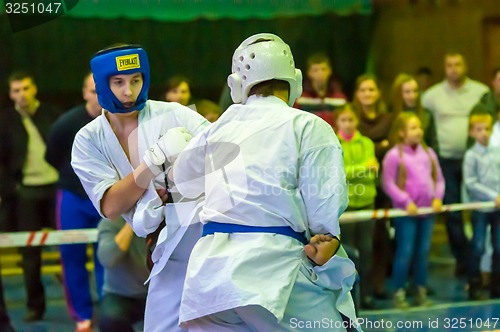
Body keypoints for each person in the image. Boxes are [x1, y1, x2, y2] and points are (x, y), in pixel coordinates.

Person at [171, 33, 359, 331]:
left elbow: (179, 181)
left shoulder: (216, 129)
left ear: (236, 84)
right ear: (294, 80)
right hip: (272, 271)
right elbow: (324, 208)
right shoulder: (308, 126)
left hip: (207, 280)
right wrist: (327, 237)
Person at [71, 44, 209, 332]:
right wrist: (154, 161)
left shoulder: (175, 115)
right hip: (159, 253)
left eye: (136, 80)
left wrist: (181, 182)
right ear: (101, 84)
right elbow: (110, 206)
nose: (128, 91)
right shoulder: (88, 139)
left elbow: (224, 167)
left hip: (204, 239)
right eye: (118, 82)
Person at [45, 73, 104, 332]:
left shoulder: (118, 121)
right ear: (84, 93)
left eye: (101, 91)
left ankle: (107, 311)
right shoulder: (66, 123)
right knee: (72, 257)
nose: (98, 97)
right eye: (93, 91)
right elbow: (52, 156)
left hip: (106, 197)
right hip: (73, 197)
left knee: (109, 257)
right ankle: (82, 316)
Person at [422, 52, 489, 277]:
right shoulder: (432, 96)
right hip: (445, 161)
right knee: (452, 213)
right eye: (449, 65)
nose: (453, 69)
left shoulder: (480, 92)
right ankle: (464, 259)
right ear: (444, 68)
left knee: (481, 210)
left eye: (457, 64)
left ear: (465, 65)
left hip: (476, 160)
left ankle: (482, 262)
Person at [0, 71, 60, 322]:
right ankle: (35, 306)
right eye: (16, 90)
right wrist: (10, 190)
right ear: (10, 94)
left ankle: (82, 306)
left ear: (34, 88)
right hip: (25, 192)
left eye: (25, 88)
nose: (21, 95)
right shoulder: (5, 121)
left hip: (57, 189)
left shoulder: (52, 114)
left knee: (74, 246)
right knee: (30, 255)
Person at [382, 112, 445, 308]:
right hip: (406, 214)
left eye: (420, 127)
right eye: (413, 127)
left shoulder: (429, 153)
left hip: (427, 213)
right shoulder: (394, 155)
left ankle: (420, 289)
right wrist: (405, 201)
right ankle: (398, 291)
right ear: (401, 133)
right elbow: (388, 183)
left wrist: (437, 198)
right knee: (406, 251)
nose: (419, 131)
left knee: (423, 251)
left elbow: (439, 179)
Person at [352, 74, 394, 299]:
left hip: (383, 185)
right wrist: (380, 146)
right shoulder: (352, 119)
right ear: (357, 94)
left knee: (381, 238)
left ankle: (377, 284)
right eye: (363, 90)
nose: (367, 94)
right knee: (357, 243)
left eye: (371, 90)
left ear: (378, 93)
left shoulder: (388, 119)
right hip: (358, 189)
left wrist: (376, 149)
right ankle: (356, 289)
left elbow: (392, 147)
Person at [335, 104, 378, 309]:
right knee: (349, 253)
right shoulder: (334, 143)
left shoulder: (367, 143)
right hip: (347, 207)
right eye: (344, 120)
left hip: (367, 203)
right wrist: (362, 168)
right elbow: (339, 173)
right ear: (337, 122)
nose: (348, 124)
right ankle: (349, 295)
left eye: (351, 120)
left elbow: (374, 172)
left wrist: (354, 172)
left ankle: (367, 294)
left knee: (367, 250)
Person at [463, 111, 500, 300]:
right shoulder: (471, 155)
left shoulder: (496, 152)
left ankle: (496, 284)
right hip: (480, 207)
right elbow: (471, 182)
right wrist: (494, 196)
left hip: (497, 209)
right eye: (479, 129)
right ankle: (474, 283)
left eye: (487, 129)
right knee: (478, 246)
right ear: (472, 133)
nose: (484, 133)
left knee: (498, 246)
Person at [97, 217, 149, 332]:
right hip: (120, 294)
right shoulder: (111, 220)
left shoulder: (163, 217)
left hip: (157, 292)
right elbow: (107, 259)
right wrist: (131, 223)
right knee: (110, 321)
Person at [294, 52, 347, 127]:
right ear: (309, 73)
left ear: (330, 71)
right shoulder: (300, 98)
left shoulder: (340, 98)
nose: (320, 73)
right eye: (315, 70)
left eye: (323, 69)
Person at [390, 73, 437, 150]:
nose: (412, 95)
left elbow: (433, 144)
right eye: (407, 92)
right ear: (399, 94)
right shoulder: (390, 116)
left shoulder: (426, 115)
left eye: (415, 91)